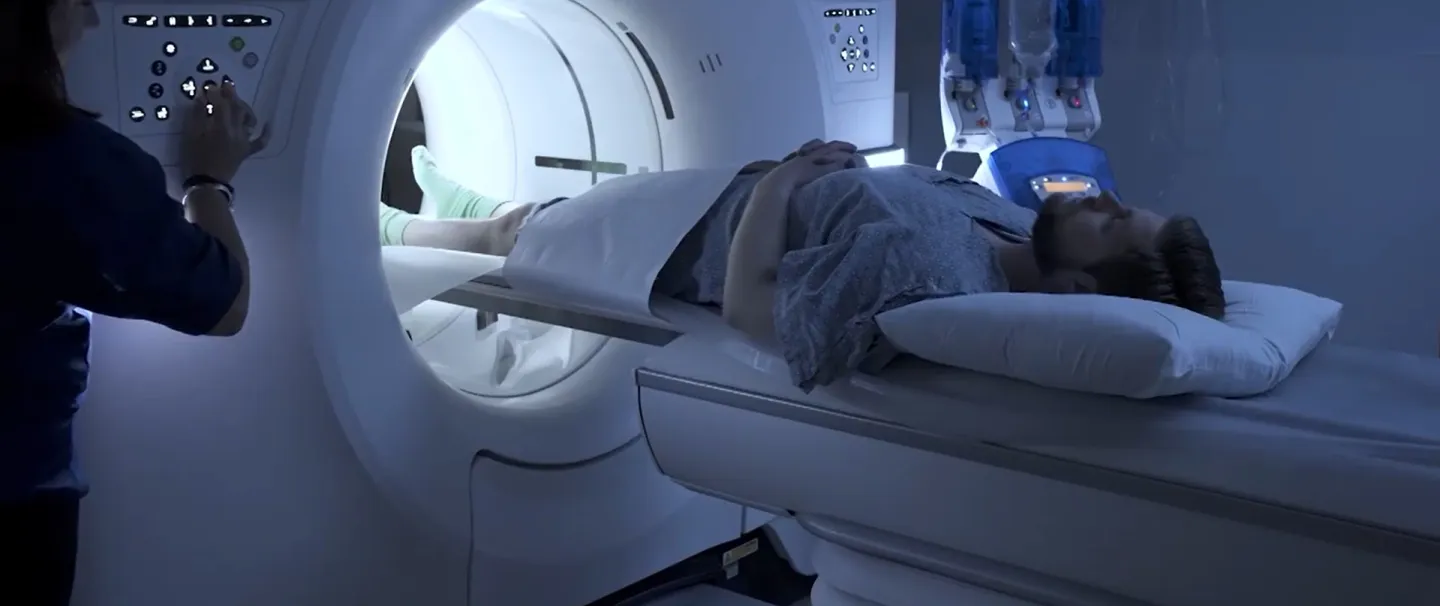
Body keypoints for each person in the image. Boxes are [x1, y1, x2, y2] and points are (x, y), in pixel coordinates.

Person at [384, 139, 1224, 388]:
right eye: (1122, 203)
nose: (1100, 200)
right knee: (530, 216)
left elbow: (759, 315)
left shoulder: (934, 276)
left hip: (680, 239)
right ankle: (449, 199)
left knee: (519, 240)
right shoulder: (1006, 224)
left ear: (1077, 289)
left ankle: (376, 235)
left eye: (1112, 226)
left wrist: (785, 179)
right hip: (716, 192)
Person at [1, 1, 267, 603]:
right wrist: (210, 181)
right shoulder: (62, 159)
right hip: (16, 493)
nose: (93, 20)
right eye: (77, 3)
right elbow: (225, 302)